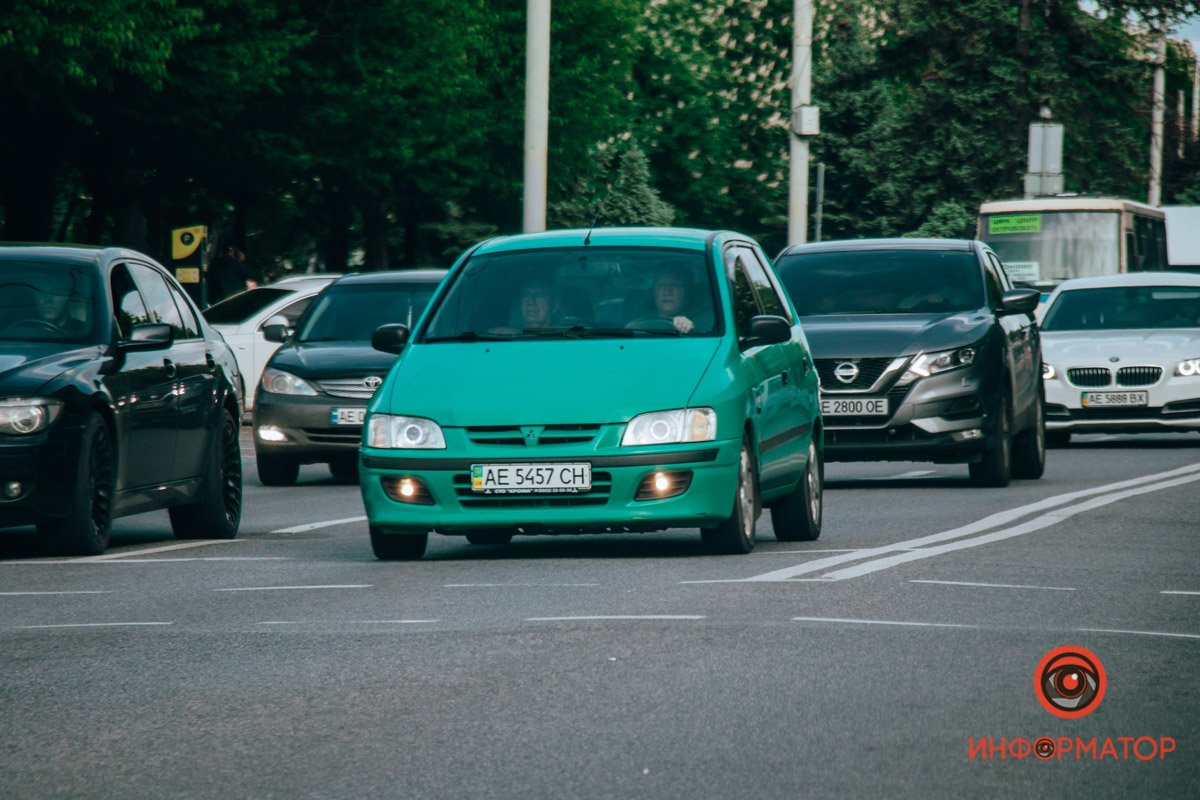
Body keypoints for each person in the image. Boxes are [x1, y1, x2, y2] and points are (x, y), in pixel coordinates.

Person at [4, 269, 90, 337]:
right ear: (34, 297)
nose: (47, 300)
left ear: (67, 297)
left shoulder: (82, 332)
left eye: (55, 293)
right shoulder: (17, 329)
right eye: (41, 293)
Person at [627, 265, 712, 334]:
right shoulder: (636, 326)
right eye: (662, 285)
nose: (667, 292)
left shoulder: (703, 320)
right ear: (654, 291)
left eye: (675, 285)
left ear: (687, 291)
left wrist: (691, 327)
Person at [490, 276, 560, 334]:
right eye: (525, 295)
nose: (531, 302)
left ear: (554, 305)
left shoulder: (564, 339)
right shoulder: (500, 337)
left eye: (539, 295)